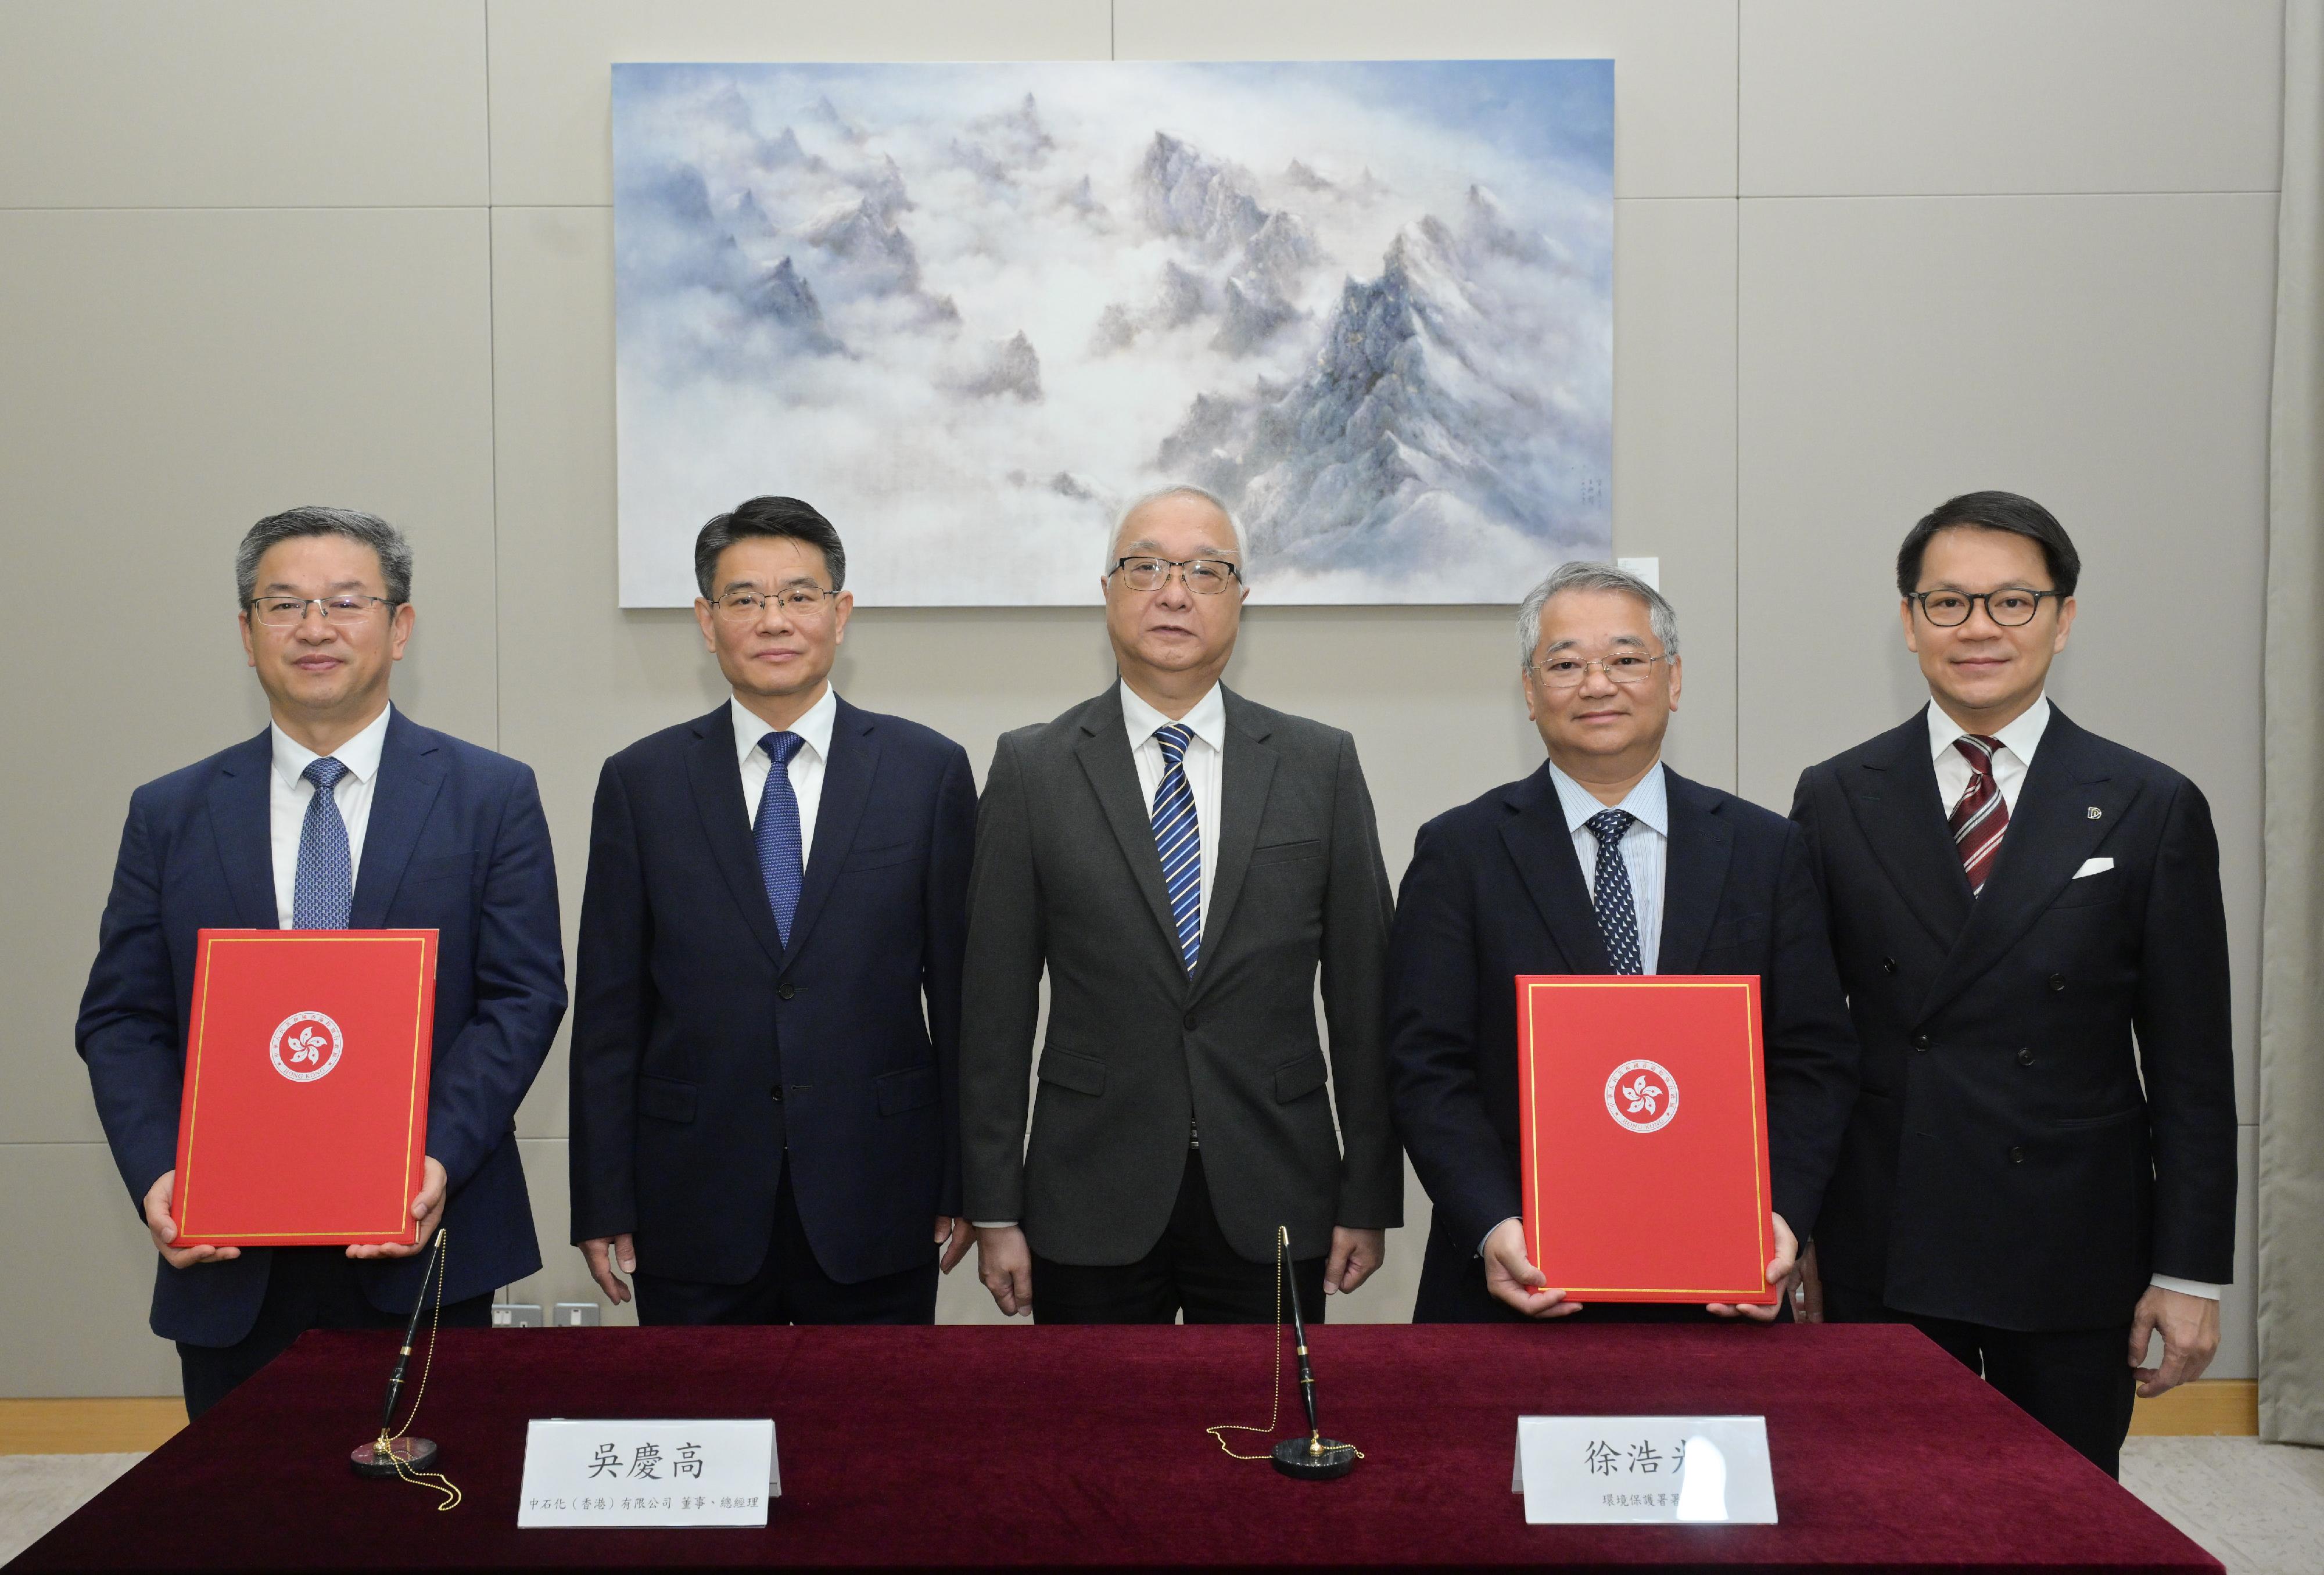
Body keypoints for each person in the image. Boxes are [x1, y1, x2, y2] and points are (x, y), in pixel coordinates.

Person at [77, 507, 566, 1418]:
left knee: (430, 1519)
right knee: (242, 1524)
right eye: (285, 605)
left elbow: (523, 996)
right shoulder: (171, 811)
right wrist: (159, 1175)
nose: (315, 629)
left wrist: (435, 1160)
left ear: (401, 625)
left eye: (346, 602)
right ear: (246, 632)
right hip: (226, 1254)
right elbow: (121, 1019)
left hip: (427, 1235)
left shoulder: (491, 797)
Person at [1791, 491, 2236, 1477]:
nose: (1979, 628)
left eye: (2013, 602)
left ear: (2065, 618)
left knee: (2066, 1517)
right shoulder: (1836, 794)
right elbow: (1809, 1043)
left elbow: (2192, 1062)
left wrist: (2189, 1268)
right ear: (1908, 623)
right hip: (1886, 1232)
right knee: (1885, 1510)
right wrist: (1794, 1225)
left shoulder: (2150, 804)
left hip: (2074, 1242)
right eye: (1947, 603)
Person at [960, 486, 1400, 1322]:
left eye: (1205, 570)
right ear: (1106, 591)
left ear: (1240, 599)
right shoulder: (1032, 770)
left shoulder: (1320, 764)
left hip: (1275, 1185)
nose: (1173, 591)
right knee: (1095, 1447)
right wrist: (995, 1209)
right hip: (1086, 1189)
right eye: (1146, 567)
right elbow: (993, 1009)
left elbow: (1364, 998)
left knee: (1265, 1438)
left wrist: (1366, 1193)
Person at [1388, 562, 1859, 1324]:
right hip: (1518, 1275)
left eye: (1627, 659)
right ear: (1531, 691)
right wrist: (1491, 1223)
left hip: (1717, 1283)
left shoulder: (1766, 850)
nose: (1597, 683)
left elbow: (1814, 1060)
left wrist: (1779, 1218)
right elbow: (1425, 1066)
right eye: (1566, 664)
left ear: (1673, 681)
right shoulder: (1459, 852)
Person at [569, 496, 976, 1325]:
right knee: (702, 1436)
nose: (774, 620)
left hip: (879, 1186)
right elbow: (610, 1010)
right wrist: (601, 1196)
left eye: (799, 595)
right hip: (692, 1194)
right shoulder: (640, 783)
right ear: (705, 620)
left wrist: (966, 1177)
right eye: (744, 599)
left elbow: (966, 999)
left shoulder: (927, 772)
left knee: (871, 1444)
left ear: (841, 612)